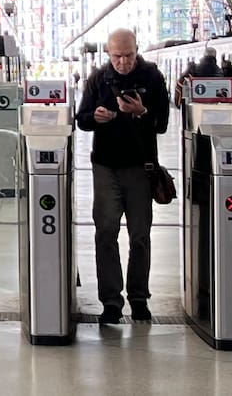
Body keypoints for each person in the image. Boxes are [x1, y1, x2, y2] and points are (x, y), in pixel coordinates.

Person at [76, 28, 169, 324]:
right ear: (108, 53)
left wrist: (142, 112)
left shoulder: (152, 76)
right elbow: (82, 119)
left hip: (140, 167)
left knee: (139, 235)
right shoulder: (98, 78)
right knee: (105, 233)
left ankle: (139, 298)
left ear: (136, 50)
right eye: (117, 56)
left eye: (129, 55)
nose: (124, 62)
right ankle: (111, 302)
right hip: (105, 166)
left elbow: (163, 123)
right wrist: (96, 118)